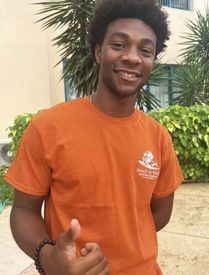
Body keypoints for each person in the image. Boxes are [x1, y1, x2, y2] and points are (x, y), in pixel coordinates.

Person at [5, 0, 184, 274]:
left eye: (145, 50)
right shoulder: (48, 126)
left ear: (152, 62)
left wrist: (123, 233)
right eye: (119, 45)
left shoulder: (158, 137)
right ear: (99, 52)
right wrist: (48, 255)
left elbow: (158, 215)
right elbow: (24, 211)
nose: (133, 57)